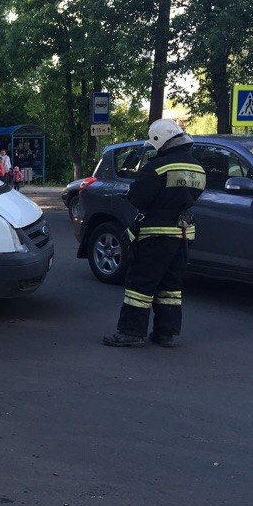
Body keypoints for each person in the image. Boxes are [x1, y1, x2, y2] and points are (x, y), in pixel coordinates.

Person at [103, 120, 206, 348]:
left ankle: (131, 332)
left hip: (156, 234)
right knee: (170, 285)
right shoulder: (197, 167)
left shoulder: (157, 167)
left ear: (159, 141)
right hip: (182, 234)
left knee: (140, 283)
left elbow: (138, 198)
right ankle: (165, 333)